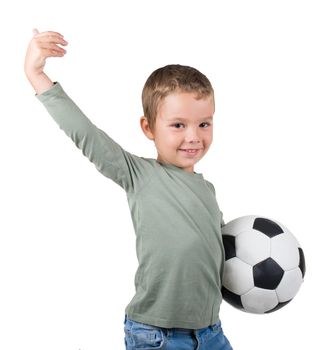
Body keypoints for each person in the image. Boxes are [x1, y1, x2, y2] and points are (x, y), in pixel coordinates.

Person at [24, 29, 233, 350]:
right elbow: (86, 135)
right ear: (149, 128)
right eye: (178, 125)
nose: (194, 136)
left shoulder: (208, 190)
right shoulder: (139, 174)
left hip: (210, 333)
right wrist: (36, 75)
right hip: (158, 335)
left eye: (204, 124)